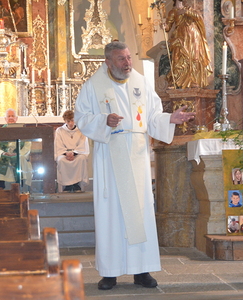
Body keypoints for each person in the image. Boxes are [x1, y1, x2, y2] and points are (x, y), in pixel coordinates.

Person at [74, 41, 195, 290]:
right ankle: (110, 272)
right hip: (110, 153)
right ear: (107, 61)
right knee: (112, 213)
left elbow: (152, 117)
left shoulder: (140, 82)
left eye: (129, 57)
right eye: (121, 59)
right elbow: (82, 118)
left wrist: (170, 118)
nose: (128, 63)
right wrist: (103, 120)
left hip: (138, 154)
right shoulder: (92, 87)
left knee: (140, 211)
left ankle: (142, 270)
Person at [164, 0, 212, 89]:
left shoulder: (189, 9)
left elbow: (198, 17)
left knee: (194, 57)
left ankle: (194, 80)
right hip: (180, 37)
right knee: (177, 58)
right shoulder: (173, 12)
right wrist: (164, 26)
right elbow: (168, 26)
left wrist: (186, 12)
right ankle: (176, 81)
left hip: (193, 37)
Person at [0, 108, 32, 190]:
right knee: (1, 158)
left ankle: (20, 183)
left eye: (13, 116)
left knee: (21, 158)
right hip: (5, 154)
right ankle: (1, 185)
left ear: (16, 118)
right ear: (5, 119)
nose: (11, 118)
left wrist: (18, 153)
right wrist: (3, 152)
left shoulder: (23, 131)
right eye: (9, 116)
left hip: (18, 154)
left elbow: (27, 145)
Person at [54, 110, 89, 192]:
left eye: (72, 120)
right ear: (65, 121)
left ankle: (76, 184)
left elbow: (83, 144)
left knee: (81, 159)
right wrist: (66, 153)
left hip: (77, 153)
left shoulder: (81, 130)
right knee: (61, 160)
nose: (70, 123)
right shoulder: (60, 131)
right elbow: (58, 145)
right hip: (64, 154)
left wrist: (74, 153)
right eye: (68, 121)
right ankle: (67, 185)